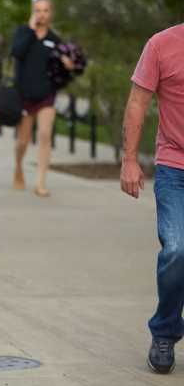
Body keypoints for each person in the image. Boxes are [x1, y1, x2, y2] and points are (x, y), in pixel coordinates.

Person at [121, 22, 184, 375]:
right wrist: (129, 159)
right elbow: (137, 101)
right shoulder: (162, 44)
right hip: (175, 167)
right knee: (177, 249)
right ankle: (165, 330)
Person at [11, 0, 73, 197]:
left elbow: (65, 69)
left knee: (45, 135)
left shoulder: (55, 40)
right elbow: (17, 53)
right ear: (32, 12)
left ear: (51, 13)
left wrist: (67, 65)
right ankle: (18, 167)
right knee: (23, 140)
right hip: (25, 93)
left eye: (45, 11)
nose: (42, 14)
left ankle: (40, 183)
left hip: (47, 94)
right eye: (38, 10)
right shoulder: (23, 32)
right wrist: (30, 30)